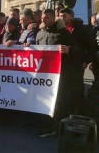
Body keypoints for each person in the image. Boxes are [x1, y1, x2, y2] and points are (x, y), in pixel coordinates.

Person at [36, 9, 85, 138]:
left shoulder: (63, 33)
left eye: (47, 17)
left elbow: (78, 51)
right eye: (42, 17)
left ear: (53, 18)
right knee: (46, 101)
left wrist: (68, 49)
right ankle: (49, 127)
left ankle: (61, 129)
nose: (44, 20)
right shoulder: (39, 34)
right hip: (45, 75)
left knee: (60, 103)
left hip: (61, 75)